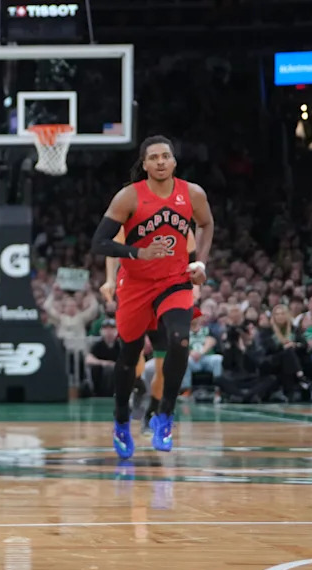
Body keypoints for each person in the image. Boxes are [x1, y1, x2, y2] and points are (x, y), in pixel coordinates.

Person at [91, 134, 214, 459]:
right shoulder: (129, 197)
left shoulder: (193, 194)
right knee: (129, 356)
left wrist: (199, 262)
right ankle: (120, 419)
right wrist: (137, 253)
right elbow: (100, 243)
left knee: (179, 341)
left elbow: (206, 224)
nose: (160, 161)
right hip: (134, 285)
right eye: (153, 157)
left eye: (165, 156)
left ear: (174, 161)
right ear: (144, 164)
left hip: (175, 282)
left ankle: (164, 416)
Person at [101, 227, 196, 433]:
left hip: (165, 291)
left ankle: (153, 411)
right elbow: (113, 248)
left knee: (165, 361)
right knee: (131, 351)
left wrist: (192, 291)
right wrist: (109, 278)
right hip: (134, 289)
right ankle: (133, 389)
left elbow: (192, 257)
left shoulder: (180, 221)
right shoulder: (133, 216)